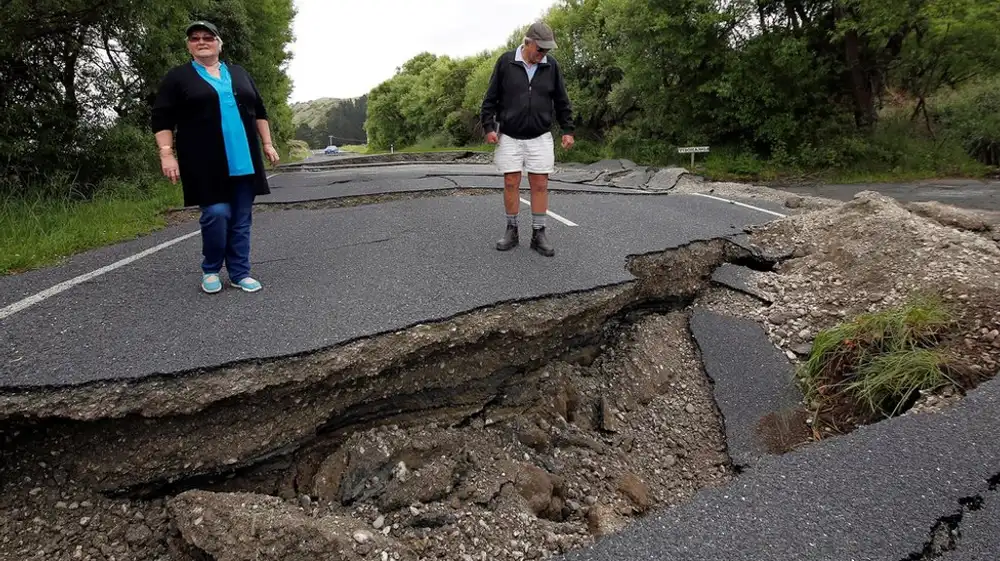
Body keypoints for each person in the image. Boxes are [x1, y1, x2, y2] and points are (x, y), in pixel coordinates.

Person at [151, 20, 279, 294]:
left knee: (241, 218)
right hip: (202, 162)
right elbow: (162, 118)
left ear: (219, 43)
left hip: (244, 158)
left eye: (208, 37)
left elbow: (260, 110)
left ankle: (239, 272)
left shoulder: (239, 72)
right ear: (188, 45)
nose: (201, 41)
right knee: (217, 214)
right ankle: (211, 268)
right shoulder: (178, 77)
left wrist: (267, 144)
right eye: (195, 38)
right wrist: (166, 154)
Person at [480, 21, 575, 257]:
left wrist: (568, 129)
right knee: (511, 182)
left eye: (547, 50)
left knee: (540, 184)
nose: (543, 54)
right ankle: (511, 230)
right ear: (528, 42)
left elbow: (562, 100)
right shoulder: (506, 62)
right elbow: (490, 97)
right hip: (510, 135)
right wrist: (488, 126)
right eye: (540, 49)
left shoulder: (551, 66)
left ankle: (538, 233)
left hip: (540, 135)